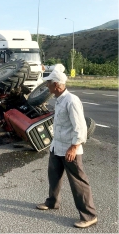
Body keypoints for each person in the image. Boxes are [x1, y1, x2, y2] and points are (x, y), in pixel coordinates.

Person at [36, 69, 97, 228]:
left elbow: (80, 127)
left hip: (70, 149)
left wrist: (74, 147)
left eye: (49, 82)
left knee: (78, 182)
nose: (46, 85)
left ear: (56, 84)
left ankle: (89, 216)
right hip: (57, 147)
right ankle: (52, 202)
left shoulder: (71, 100)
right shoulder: (59, 99)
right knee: (54, 176)